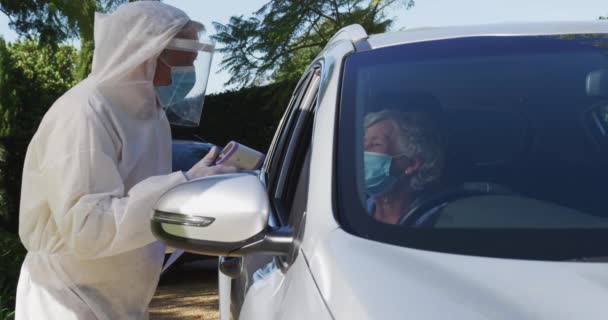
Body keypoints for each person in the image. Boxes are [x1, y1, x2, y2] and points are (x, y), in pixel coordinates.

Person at [15, 2, 235, 319]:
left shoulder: (152, 116)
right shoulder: (83, 113)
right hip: (67, 300)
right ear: (144, 57)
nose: (185, 77)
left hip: (120, 303)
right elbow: (88, 227)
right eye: (179, 65)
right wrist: (181, 186)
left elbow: (135, 217)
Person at [363, 110, 444, 225]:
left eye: (376, 144)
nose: (363, 151)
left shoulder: (439, 219)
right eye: (362, 143)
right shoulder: (347, 212)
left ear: (412, 163)